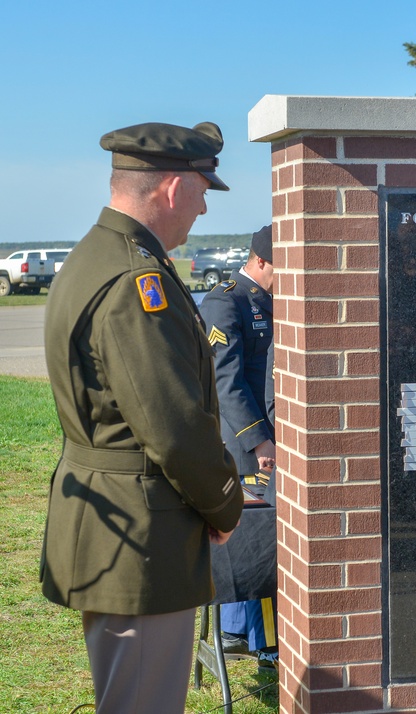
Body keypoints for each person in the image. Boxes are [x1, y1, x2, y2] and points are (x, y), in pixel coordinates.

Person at [41, 121, 244, 714]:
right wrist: (225, 502)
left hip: (118, 516)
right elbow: (174, 426)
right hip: (143, 531)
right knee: (142, 702)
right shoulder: (137, 279)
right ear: (174, 190)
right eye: (205, 193)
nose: (203, 210)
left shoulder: (100, 256)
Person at [198, 224, 278, 672]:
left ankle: (249, 633)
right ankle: (259, 642)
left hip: (273, 439)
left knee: (265, 541)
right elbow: (226, 381)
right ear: (261, 260)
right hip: (247, 444)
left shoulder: (273, 300)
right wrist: (259, 439)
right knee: (254, 545)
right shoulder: (225, 301)